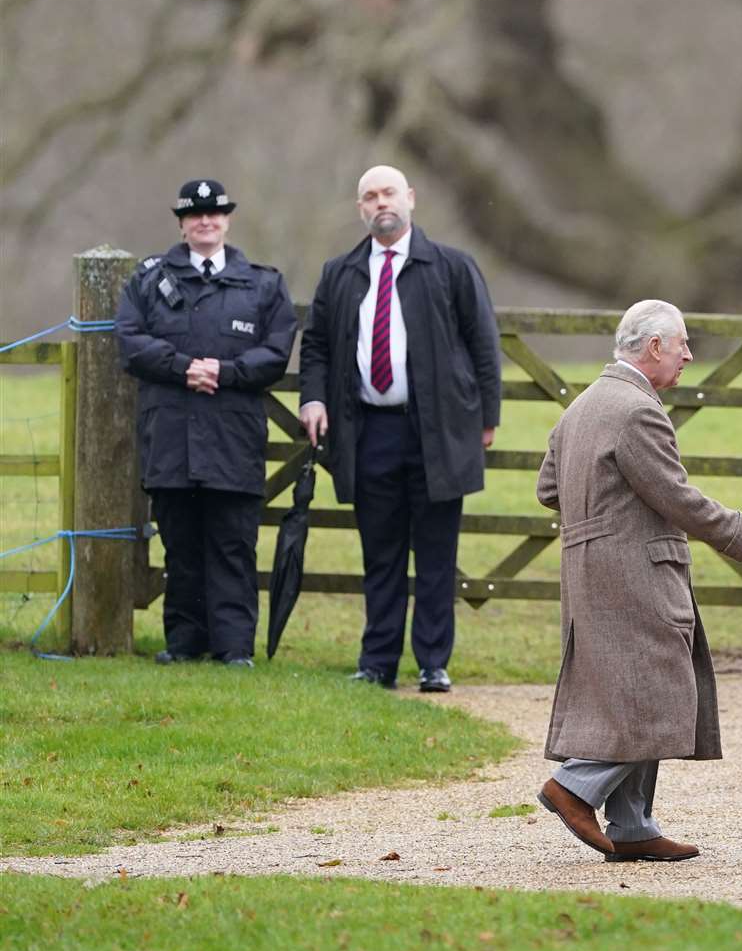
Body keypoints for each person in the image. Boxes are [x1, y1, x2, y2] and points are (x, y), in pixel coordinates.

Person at [535, 300, 742, 862]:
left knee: (632, 690)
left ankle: (632, 826)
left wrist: (599, 518)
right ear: (654, 347)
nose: (688, 356)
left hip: (587, 572)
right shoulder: (636, 410)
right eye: (682, 345)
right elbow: (676, 497)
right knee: (664, 692)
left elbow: (549, 489)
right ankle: (576, 785)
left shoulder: (580, 406)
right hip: (634, 572)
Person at [298, 165, 502, 692]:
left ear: (410, 198)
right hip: (369, 433)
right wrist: (313, 398)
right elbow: (316, 345)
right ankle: (377, 661)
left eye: (389, 192)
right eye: (369, 196)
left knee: (436, 553)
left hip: (438, 432)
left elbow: (483, 344)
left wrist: (488, 417)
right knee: (380, 553)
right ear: (360, 208)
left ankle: (433, 662)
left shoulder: (452, 267)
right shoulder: (340, 273)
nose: (380, 202)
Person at [115, 179, 296, 668]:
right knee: (181, 544)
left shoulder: (262, 284)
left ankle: (235, 648)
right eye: (195, 215)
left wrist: (226, 372)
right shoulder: (147, 282)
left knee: (233, 544)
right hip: (171, 438)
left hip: (232, 438)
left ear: (227, 220)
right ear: (181, 223)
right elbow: (130, 341)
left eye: (214, 214)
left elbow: (277, 351)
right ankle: (184, 642)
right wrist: (183, 367)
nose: (205, 221)